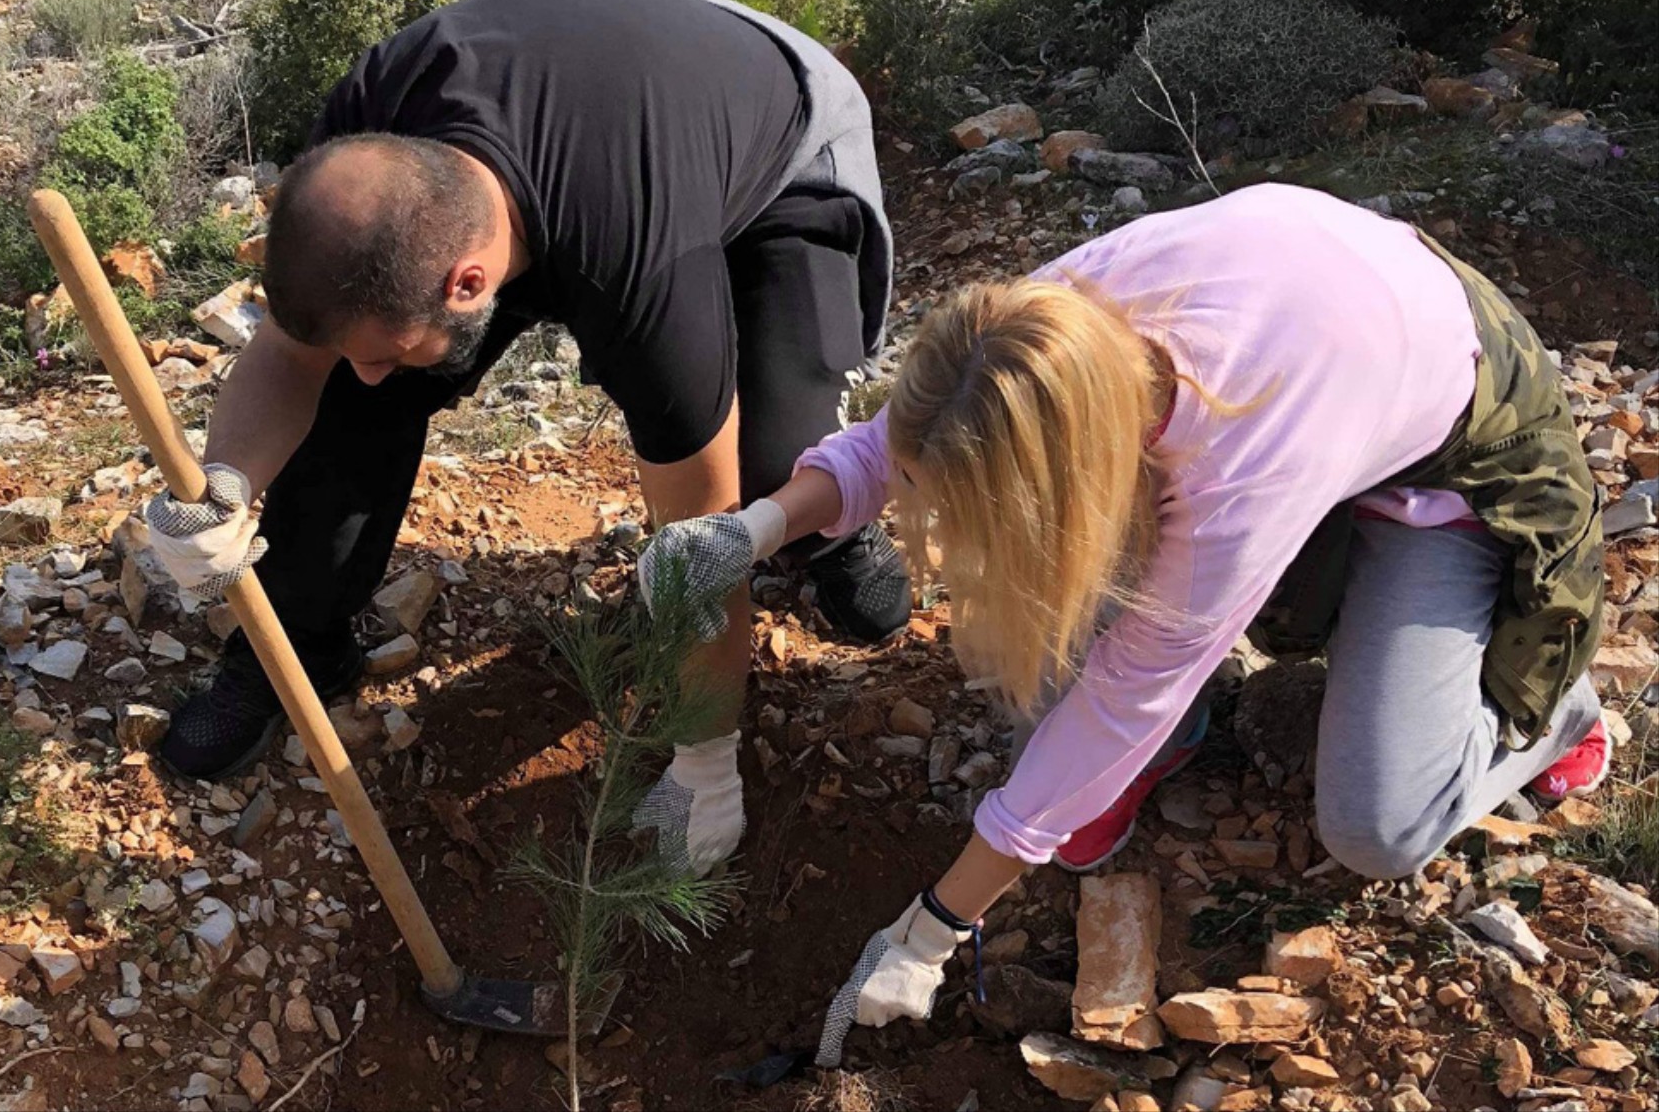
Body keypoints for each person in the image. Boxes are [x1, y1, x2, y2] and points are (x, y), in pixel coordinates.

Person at [639, 183, 1610, 1065]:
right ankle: (1214, 712)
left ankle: (1553, 712)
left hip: (1460, 457)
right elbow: (896, 442)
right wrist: (749, 529)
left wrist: (931, 929)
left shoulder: (1236, 479)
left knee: (1378, 821)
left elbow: (1125, 695)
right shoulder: (1040, 328)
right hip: (1342, 359)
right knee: (1076, 618)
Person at [139, 0, 912, 879]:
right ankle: (293, 645)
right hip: (583, 95)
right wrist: (228, 480)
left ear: (469, 281)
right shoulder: (368, 157)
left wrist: (705, 763)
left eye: (385, 343)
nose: (369, 361)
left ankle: (831, 541)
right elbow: (295, 350)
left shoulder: (639, 262)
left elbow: (701, 535)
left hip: (770, 130)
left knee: (771, 470)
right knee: (359, 401)